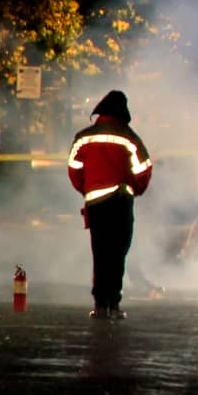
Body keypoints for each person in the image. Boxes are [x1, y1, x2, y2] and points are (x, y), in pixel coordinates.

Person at [68, 90, 153, 320]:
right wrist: (136, 189)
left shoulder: (83, 137)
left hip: (95, 204)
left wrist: (87, 189)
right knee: (118, 253)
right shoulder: (129, 137)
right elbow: (143, 169)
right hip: (120, 201)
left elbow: (74, 169)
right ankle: (113, 305)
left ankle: (100, 305)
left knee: (100, 253)